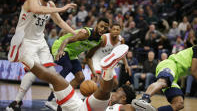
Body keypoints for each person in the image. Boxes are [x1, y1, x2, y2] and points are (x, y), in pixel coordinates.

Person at [13, 44, 155, 111]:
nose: (115, 94)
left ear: (123, 99)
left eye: (118, 93)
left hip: (89, 108)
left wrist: (137, 108)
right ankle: (22, 56)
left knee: (104, 92)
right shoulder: (112, 103)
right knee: (55, 78)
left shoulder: (119, 107)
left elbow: (128, 109)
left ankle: (108, 70)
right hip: (80, 106)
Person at [6, 0, 77, 110]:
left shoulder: (50, 4)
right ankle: (16, 102)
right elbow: (37, 10)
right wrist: (62, 8)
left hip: (40, 41)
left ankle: (57, 102)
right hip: (25, 41)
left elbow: (59, 22)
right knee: (35, 72)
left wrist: (75, 32)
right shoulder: (32, 0)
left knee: (51, 73)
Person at [46, 17, 109, 109]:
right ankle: (52, 97)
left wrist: (93, 72)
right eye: (101, 26)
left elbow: (88, 57)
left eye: (105, 28)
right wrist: (60, 51)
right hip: (61, 46)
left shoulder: (99, 41)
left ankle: (62, 98)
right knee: (67, 66)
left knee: (80, 77)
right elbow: (66, 40)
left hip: (72, 54)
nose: (102, 29)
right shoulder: (86, 33)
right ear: (96, 25)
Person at [133, 45, 197, 111]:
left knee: (179, 104)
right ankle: (144, 99)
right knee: (163, 82)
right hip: (170, 64)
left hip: (175, 77)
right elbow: (194, 71)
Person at [86, 23, 131, 89]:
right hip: (97, 58)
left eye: (117, 29)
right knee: (95, 78)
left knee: (115, 83)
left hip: (108, 61)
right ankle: (89, 95)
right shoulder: (104, 38)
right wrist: (87, 59)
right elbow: (92, 49)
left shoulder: (121, 40)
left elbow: (121, 53)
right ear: (110, 30)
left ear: (120, 30)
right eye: (114, 29)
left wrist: (126, 64)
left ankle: (103, 94)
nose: (115, 31)